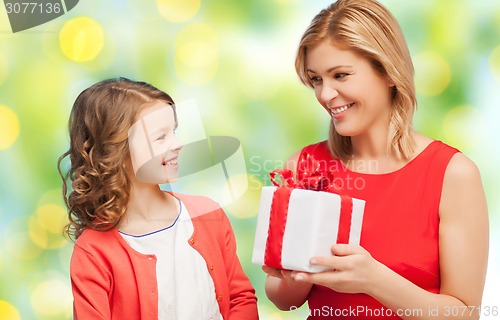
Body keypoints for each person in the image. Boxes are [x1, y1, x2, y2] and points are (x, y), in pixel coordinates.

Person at [262, 0, 489, 319]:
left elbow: (466, 313)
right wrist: (295, 277)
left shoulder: (453, 174)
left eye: (340, 75)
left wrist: (373, 279)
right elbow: (282, 299)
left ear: (389, 72)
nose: (325, 95)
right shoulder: (304, 164)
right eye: (316, 79)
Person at [58, 77, 259, 320]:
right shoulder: (93, 252)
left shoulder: (208, 213)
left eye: (173, 131)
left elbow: (240, 298)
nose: (178, 143)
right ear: (115, 151)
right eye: (160, 137)